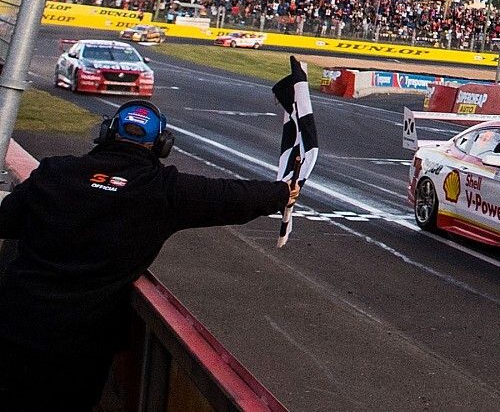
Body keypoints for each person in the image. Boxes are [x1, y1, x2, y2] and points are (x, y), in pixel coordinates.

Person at [0, 100, 300, 411]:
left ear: (106, 132)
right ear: (161, 145)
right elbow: (228, 196)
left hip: (15, 323)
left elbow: (6, 220)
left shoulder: (55, 170)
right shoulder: (163, 190)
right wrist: (280, 193)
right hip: (79, 347)